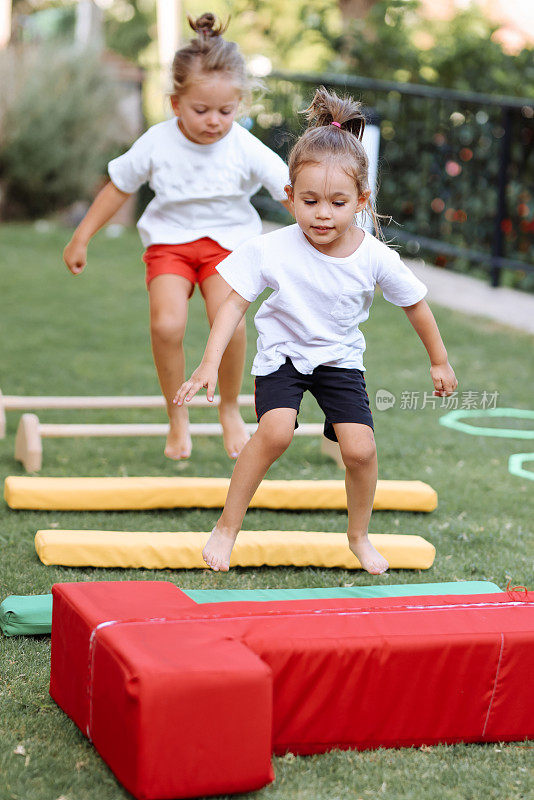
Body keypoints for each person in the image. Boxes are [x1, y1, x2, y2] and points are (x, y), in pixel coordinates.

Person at [174, 86, 458, 574]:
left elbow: (416, 304)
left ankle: (359, 535)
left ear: (361, 202)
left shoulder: (374, 256)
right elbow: (232, 304)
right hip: (283, 355)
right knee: (276, 432)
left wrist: (438, 359)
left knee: (360, 448)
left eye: (336, 202)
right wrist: (208, 362)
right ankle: (226, 526)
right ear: (289, 198)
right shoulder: (273, 248)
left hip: (339, 359)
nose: (322, 214)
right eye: (309, 201)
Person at [63, 13, 290, 461]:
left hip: (229, 246)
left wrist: (326, 229)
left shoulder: (242, 146)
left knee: (231, 323)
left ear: (238, 104)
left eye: (226, 112)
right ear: (175, 104)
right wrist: (82, 236)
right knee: (167, 325)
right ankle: (177, 416)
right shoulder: (157, 141)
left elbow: (287, 190)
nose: (214, 122)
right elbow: (118, 186)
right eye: (200, 111)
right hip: (170, 243)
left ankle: (229, 409)